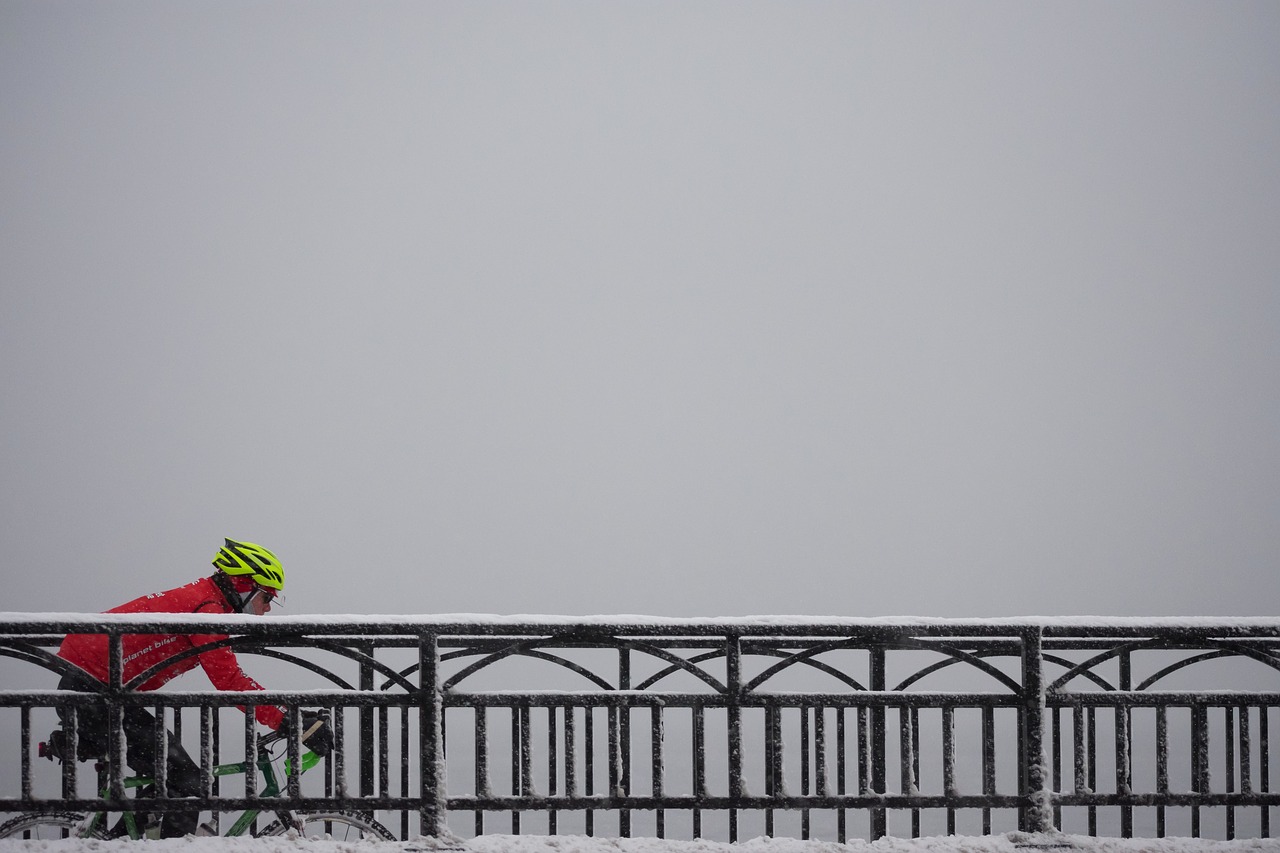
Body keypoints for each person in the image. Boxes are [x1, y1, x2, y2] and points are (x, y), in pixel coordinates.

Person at [55, 538, 330, 837]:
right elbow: (229, 680)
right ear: (243, 586)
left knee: (173, 776)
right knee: (187, 780)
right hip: (92, 693)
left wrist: (289, 716)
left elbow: (226, 667)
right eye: (266, 596)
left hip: (98, 690)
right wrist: (290, 720)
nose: (267, 608)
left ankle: (123, 841)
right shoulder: (206, 609)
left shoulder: (206, 601)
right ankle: (166, 845)